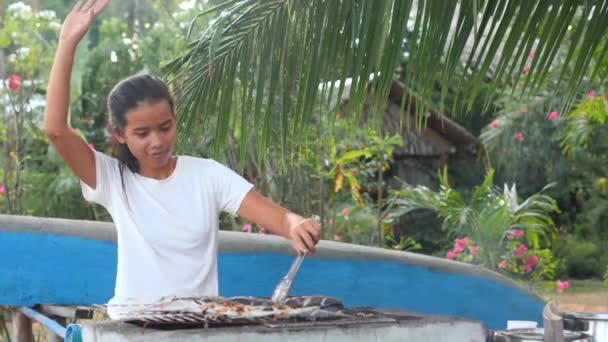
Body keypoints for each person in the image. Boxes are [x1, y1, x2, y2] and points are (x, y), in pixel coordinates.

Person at [44, 0, 321, 319]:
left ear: (175, 119)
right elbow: (55, 130)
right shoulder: (112, 179)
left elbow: (279, 218)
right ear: (120, 134)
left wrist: (296, 224)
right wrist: (66, 43)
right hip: (133, 327)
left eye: (165, 127)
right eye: (142, 133)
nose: (157, 142)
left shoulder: (208, 176)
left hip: (197, 325)